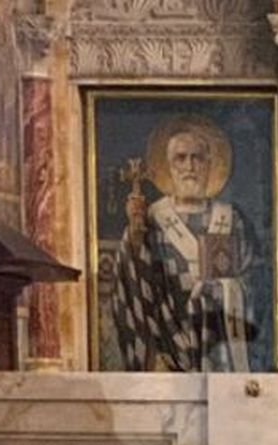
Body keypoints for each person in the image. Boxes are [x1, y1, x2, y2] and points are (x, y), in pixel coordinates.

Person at [111, 119, 262, 372]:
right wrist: (134, 234)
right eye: (180, 159)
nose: (189, 167)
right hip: (168, 343)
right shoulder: (152, 218)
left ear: (210, 164)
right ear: (168, 166)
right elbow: (135, 282)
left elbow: (256, 280)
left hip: (219, 348)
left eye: (197, 158)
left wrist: (223, 291)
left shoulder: (231, 219)